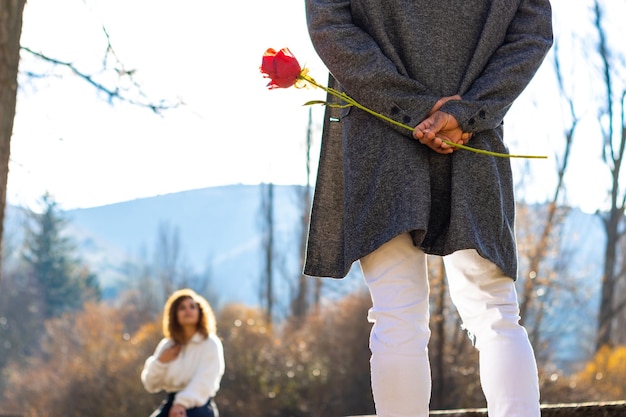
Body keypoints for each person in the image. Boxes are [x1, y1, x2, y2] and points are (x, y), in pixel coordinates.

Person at [303, 1, 553, 416]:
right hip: (472, 136)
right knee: (495, 313)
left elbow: (330, 24)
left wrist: (414, 109)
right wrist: (465, 113)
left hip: (379, 133)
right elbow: (531, 33)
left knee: (397, 316)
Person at [142, 289, 225, 417]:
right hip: (171, 403)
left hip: (199, 404)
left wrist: (181, 404)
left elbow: (204, 381)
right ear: (174, 314)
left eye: (192, 306)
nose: (188, 310)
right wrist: (160, 362)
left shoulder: (210, 344)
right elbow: (150, 384)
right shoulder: (168, 345)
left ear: (200, 312)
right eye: (182, 308)